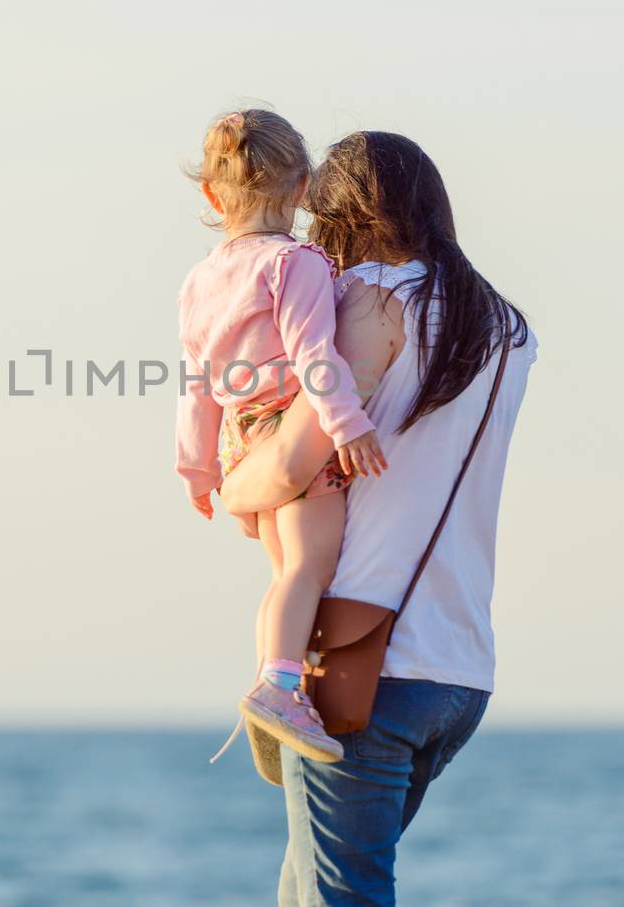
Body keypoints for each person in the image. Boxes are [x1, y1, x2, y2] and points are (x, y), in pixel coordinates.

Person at [218, 131, 538, 906]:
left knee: (338, 896)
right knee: (308, 889)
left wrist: (230, 485)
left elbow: (293, 463)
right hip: (458, 673)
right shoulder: (504, 326)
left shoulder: (369, 296)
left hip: (370, 662)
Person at [176, 109, 388, 764]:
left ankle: (275, 681)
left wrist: (199, 469)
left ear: (213, 194)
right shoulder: (295, 263)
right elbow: (314, 353)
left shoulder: (202, 278)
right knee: (308, 567)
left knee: (283, 574)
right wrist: (347, 423)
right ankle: (281, 687)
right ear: (302, 191)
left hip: (242, 441)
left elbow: (198, 384)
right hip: (291, 425)